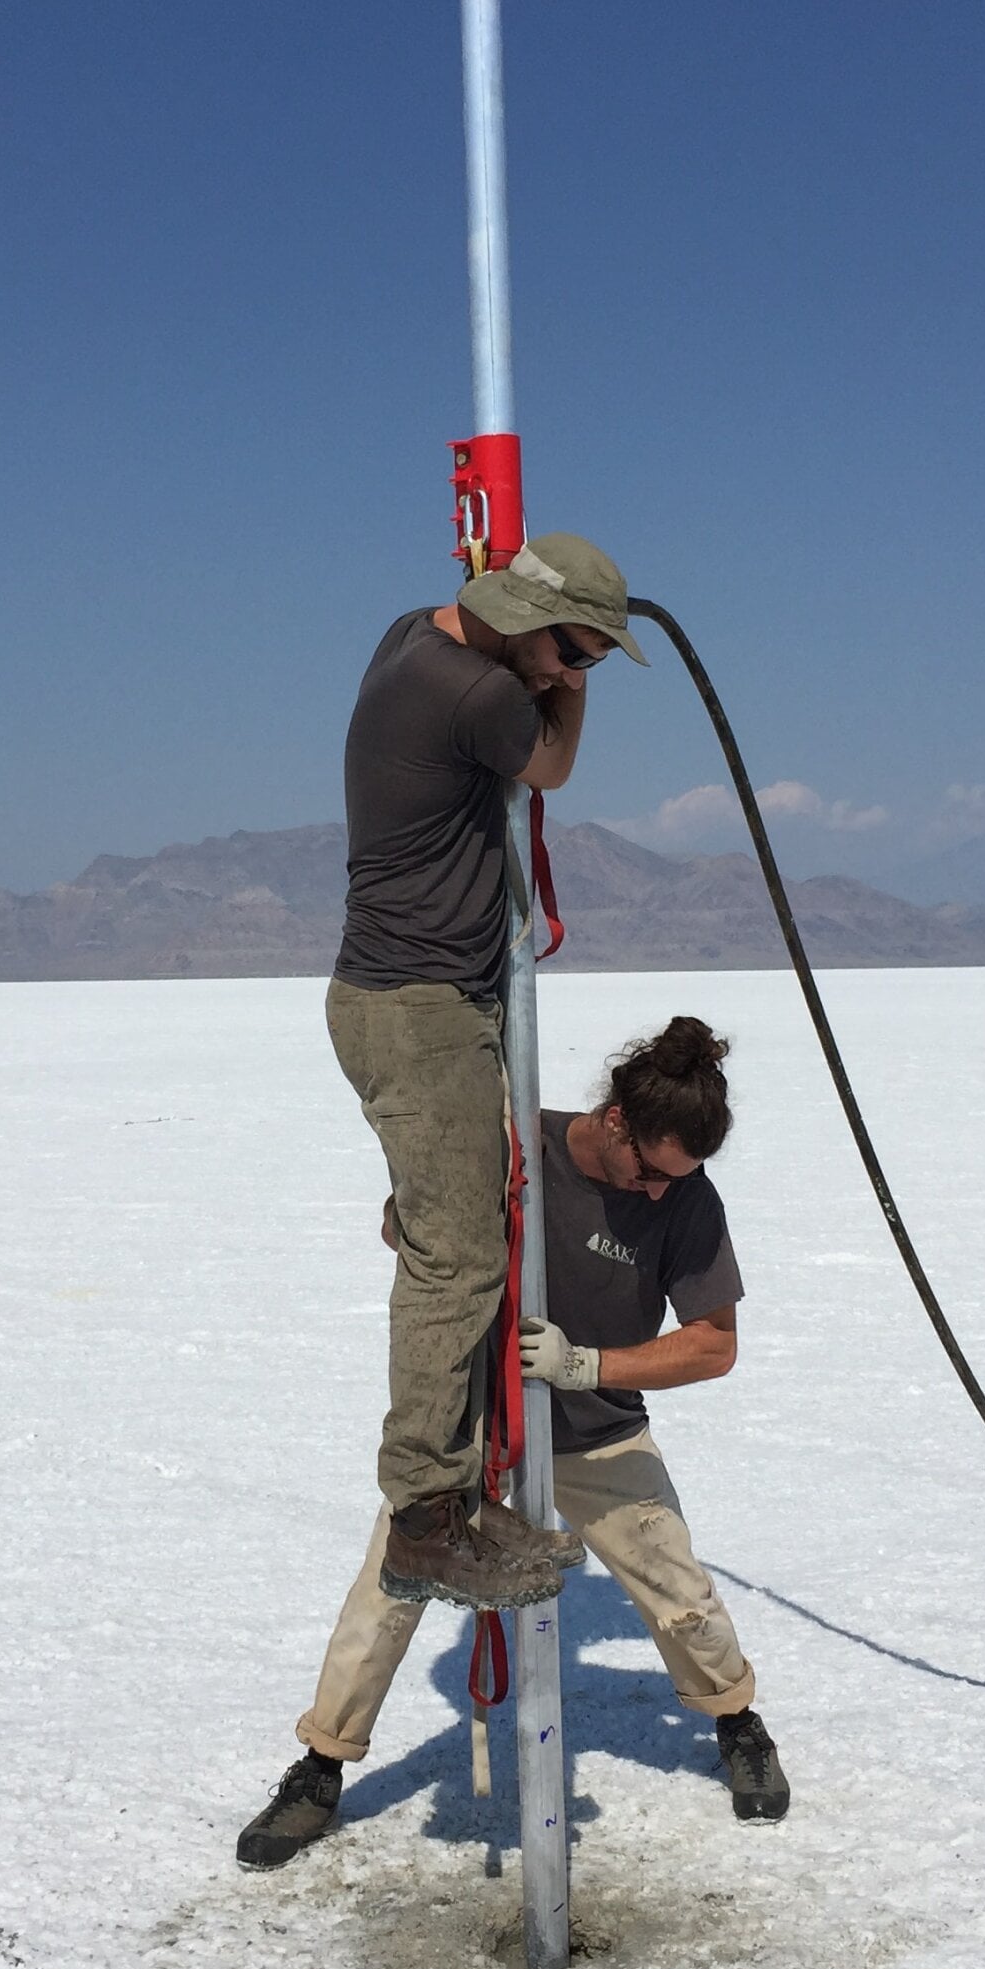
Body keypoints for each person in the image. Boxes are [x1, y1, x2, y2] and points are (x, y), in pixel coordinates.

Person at [239, 1017, 792, 1869]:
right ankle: (320, 1765)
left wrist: (589, 1364)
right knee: (387, 1592)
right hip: (474, 1435)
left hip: (598, 1429)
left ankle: (736, 1719)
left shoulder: (683, 1197)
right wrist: (439, 1213)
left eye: (675, 1180)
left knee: (676, 1586)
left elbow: (714, 1344)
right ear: (614, 1120)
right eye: (648, 1170)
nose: (656, 1195)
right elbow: (407, 1230)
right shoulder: (511, 1147)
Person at [326, 532, 650, 1613]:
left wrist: (555, 642)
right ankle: (424, 1520)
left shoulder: (410, 639)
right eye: (574, 655)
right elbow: (551, 763)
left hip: (415, 1008)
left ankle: (459, 1500)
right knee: (455, 1264)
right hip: (417, 1014)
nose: (568, 677)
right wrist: (565, 691)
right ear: (515, 616)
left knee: (464, 1241)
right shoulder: (476, 693)